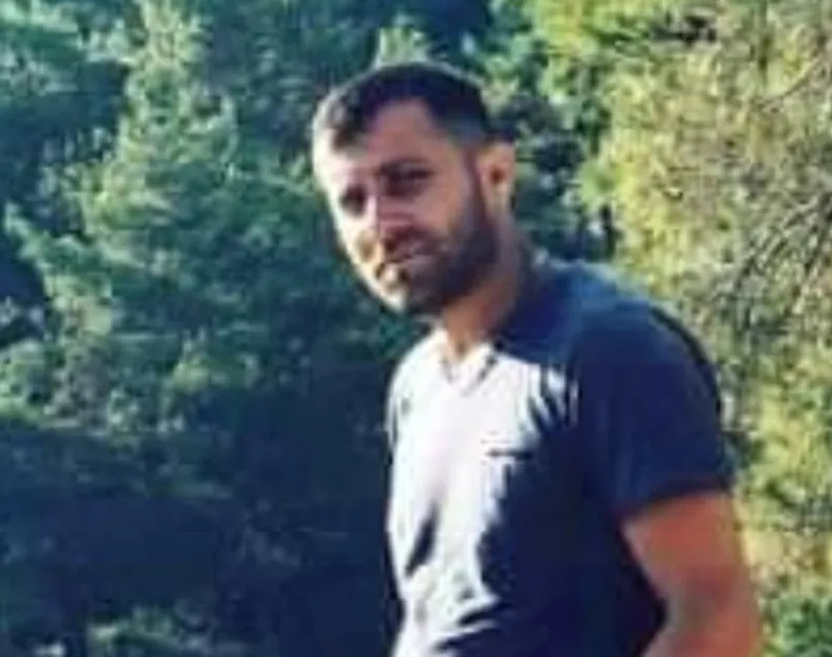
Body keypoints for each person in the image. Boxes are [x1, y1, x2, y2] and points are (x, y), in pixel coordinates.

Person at [308, 60, 764, 657]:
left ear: (496, 174)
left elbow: (717, 621)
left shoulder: (607, 349)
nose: (381, 224)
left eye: (407, 181)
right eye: (352, 201)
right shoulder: (418, 387)